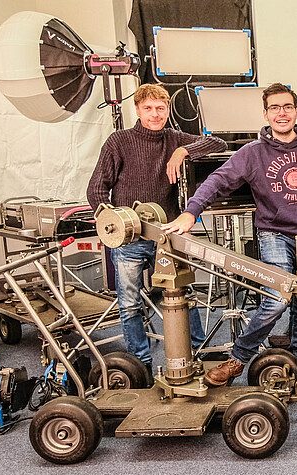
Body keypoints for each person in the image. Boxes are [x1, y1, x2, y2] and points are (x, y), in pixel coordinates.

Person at [162, 83, 297, 396]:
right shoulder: (252, 152)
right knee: (277, 300)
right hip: (274, 233)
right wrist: (191, 212)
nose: (282, 113)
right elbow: (217, 181)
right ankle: (238, 359)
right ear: (266, 114)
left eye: (288, 107)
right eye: (275, 108)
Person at [87, 83, 226, 373]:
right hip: (130, 238)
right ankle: (140, 365)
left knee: (183, 295)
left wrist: (182, 151)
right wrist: (114, 225)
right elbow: (96, 189)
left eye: (160, 108)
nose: (155, 114)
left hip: (168, 236)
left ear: (167, 110)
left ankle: (198, 354)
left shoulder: (174, 138)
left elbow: (218, 144)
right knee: (129, 303)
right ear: (137, 110)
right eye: (148, 108)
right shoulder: (119, 141)